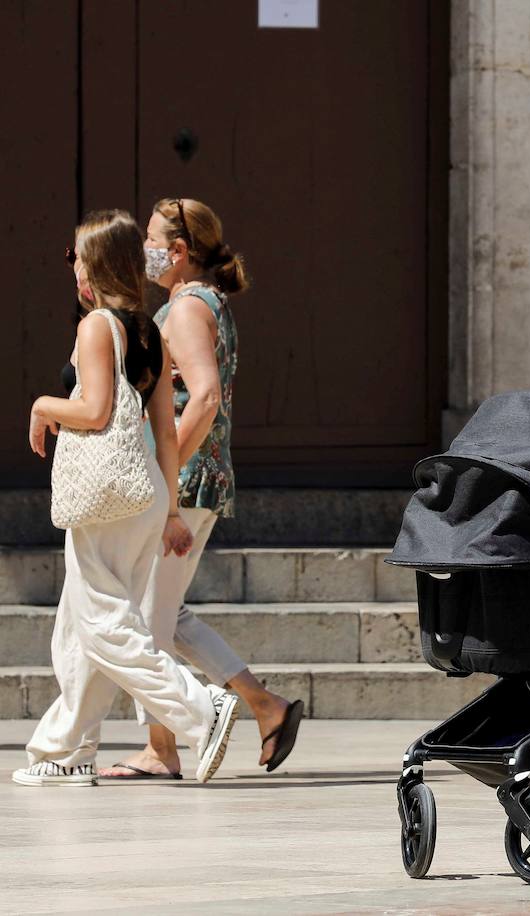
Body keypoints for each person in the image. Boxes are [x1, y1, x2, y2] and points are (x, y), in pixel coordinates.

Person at [14, 210, 238, 786]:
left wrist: (43, 406)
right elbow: (165, 430)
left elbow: (93, 411)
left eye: (76, 258)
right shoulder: (150, 330)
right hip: (145, 491)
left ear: (95, 264)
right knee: (81, 624)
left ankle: (199, 709)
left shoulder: (97, 328)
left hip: (106, 496)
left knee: (105, 625)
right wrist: (165, 511)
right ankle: (66, 750)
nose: (73, 270)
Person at [96, 198, 303, 781]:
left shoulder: (186, 308)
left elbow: (205, 397)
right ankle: (264, 706)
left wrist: (164, 481)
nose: (144, 255)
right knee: (165, 613)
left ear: (179, 251)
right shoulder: (198, 303)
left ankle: (165, 749)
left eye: (151, 243)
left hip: (184, 480)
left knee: (149, 621)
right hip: (192, 477)